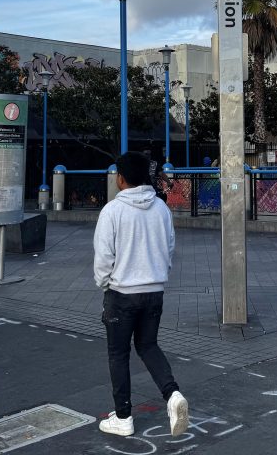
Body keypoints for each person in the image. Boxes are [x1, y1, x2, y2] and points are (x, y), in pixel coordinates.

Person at [93, 151, 189, 438]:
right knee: (148, 346)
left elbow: (103, 257)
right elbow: (169, 248)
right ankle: (172, 395)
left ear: (121, 179)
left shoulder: (112, 211)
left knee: (118, 354)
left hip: (122, 294)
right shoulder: (161, 209)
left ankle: (123, 417)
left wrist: (104, 284)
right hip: (154, 291)